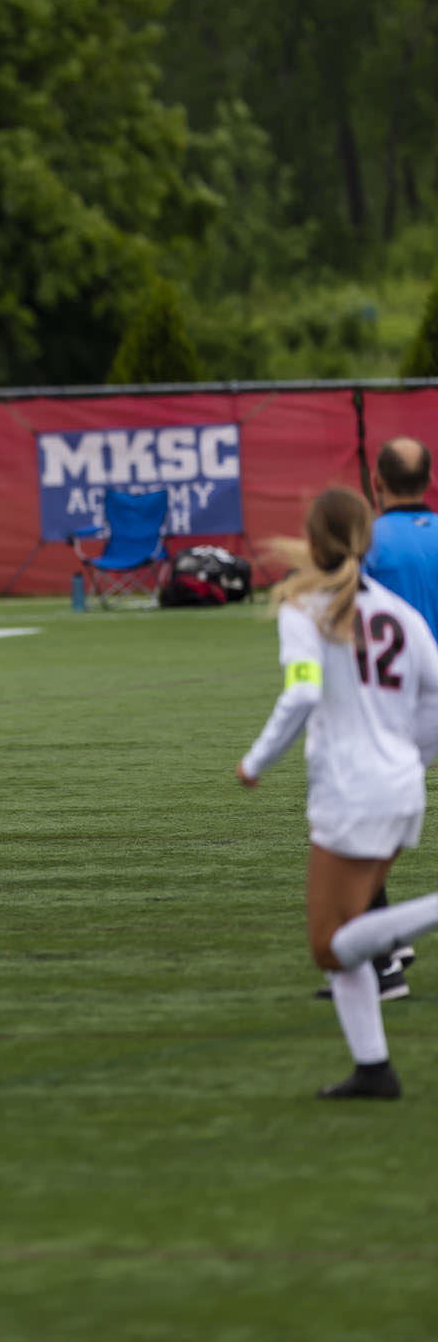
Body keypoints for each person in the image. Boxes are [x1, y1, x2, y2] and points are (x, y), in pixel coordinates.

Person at [236, 487, 438, 1098]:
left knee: (329, 946)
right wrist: (409, 757)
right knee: (349, 938)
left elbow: (301, 692)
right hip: (400, 789)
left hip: (352, 794)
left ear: (313, 537)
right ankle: (373, 1069)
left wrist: (255, 760)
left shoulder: (306, 608)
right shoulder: (401, 613)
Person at [332, 437, 438, 1000]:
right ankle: (390, 941)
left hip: (398, 702)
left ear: (377, 482)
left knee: (359, 821)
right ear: (429, 481)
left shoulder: (367, 540)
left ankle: (384, 962)